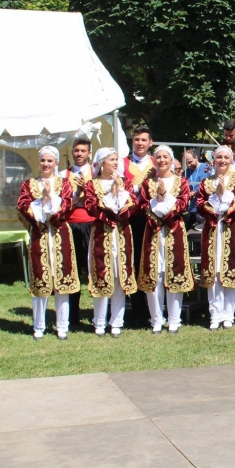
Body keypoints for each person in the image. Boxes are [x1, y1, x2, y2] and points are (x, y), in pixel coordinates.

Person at [17, 146, 79, 341]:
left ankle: (62, 325)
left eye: (49, 161)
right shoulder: (29, 184)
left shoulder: (64, 183)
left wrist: (50, 199)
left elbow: (67, 205)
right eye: (43, 161)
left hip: (60, 234)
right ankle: (39, 325)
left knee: (62, 280)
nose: (46, 164)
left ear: (56, 163)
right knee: (40, 279)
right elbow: (23, 205)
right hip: (39, 235)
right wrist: (42, 200)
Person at [138, 145, 194, 334]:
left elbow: (183, 204)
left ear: (171, 160)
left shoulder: (182, 182)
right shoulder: (148, 183)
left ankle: (174, 319)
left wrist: (164, 197)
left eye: (165, 157)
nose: (162, 160)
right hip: (153, 232)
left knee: (174, 274)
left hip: (174, 232)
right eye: (158, 157)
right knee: (155, 275)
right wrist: (157, 202)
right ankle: (156, 319)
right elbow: (143, 205)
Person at [83, 148, 138, 337]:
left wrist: (119, 192)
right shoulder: (92, 185)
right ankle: (99, 320)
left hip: (121, 234)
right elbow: (90, 207)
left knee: (119, 276)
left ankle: (117, 321)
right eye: (111, 160)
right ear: (101, 163)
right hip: (101, 234)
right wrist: (111, 196)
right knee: (101, 274)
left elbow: (132, 205)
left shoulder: (126, 183)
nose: (115, 163)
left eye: (116, 160)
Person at [197, 146, 235, 330]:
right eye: (219, 157)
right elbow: (199, 204)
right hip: (212, 229)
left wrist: (224, 195)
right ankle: (215, 313)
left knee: (231, 269)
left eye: (226, 157)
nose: (222, 161)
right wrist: (215, 197)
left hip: (232, 228)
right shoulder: (206, 182)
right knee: (215, 272)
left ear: (230, 160)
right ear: (214, 160)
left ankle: (229, 314)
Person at [122, 126, 155, 318]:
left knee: (150, 260)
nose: (140, 143)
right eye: (137, 140)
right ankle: (137, 308)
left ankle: (154, 307)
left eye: (144, 140)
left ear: (150, 143)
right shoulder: (122, 163)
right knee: (133, 261)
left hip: (153, 218)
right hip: (131, 218)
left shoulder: (157, 161)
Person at [63, 137, 93, 327]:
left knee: (94, 269)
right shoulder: (63, 175)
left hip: (91, 224)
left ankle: (99, 315)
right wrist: (76, 196)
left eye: (83, 151)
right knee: (71, 270)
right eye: (76, 150)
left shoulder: (96, 172)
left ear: (89, 153)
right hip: (70, 225)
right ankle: (72, 316)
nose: (79, 154)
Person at [184, 148, 211, 229]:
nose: (188, 165)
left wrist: (196, 191)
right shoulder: (185, 172)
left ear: (196, 157)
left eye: (190, 162)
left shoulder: (207, 169)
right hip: (192, 209)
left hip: (203, 208)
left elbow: (209, 186)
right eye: (186, 163)